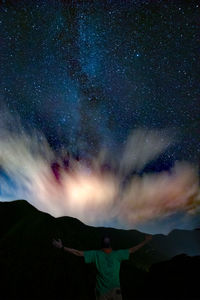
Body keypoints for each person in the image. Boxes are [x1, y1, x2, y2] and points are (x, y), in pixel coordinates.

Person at [52, 234, 152, 300]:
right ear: (110, 245)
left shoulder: (95, 254)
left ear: (101, 245)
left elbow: (77, 253)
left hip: (101, 292)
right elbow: (133, 250)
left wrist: (62, 247)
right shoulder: (118, 254)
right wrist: (146, 241)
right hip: (116, 290)